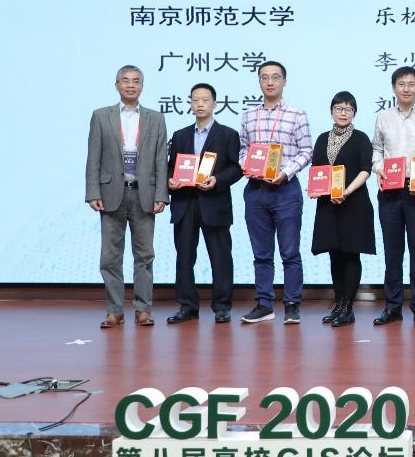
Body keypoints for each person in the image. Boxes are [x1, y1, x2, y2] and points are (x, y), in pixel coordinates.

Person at [86, 65, 168, 329]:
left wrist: (161, 194)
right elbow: (93, 157)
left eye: (136, 81)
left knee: (145, 255)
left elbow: (161, 159)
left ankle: (143, 309)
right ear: (117, 86)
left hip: (144, 195)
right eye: (126, 81)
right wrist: (93, 192)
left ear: (142, 86)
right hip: (111, 194)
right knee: (110, 257)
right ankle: (114, 310)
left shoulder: (156, 118)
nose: (131, 85)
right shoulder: (101, 116)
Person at [239, 60, 312, 325]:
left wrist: (285, 172)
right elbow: (242, 149)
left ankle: (292, 304)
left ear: (284, 81)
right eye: (264, 77)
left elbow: (307, 151)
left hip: (285, 190)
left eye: (275, 77)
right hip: (256, 191)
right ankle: (264, 304)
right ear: (259, 81)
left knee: (290, 252)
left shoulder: (297, 115)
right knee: (261, 254)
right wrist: (246, 165)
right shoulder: (248, 116)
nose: (269, 82)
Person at [165, 83, 242, 325]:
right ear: (190, 104)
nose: (199, 104)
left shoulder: (228, 134)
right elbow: (170, 167)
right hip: (185, 204)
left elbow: (236, 168)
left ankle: (222, 307)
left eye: (205, 100)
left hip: (214, 203)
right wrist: (170, 181)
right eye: (195, 100)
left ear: (215, 104)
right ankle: (187, 306)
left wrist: (217, 180)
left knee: (220, 258)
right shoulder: (180, 135)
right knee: (184, 258)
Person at [372, 66, 415, 326]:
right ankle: (393, 306)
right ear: (393, 88)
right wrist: (379, 169)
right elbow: (377, 150)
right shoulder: (383, 118)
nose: (406, 88)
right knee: (392, 252)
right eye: (401, 84)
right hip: (389, 191)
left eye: (411, 84)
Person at [310, 91, 374, 329]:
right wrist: (317, 189)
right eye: (339, 108)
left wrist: (346, 191)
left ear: (354, 113)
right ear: (331, 112)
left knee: (350, 254)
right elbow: (317, 170)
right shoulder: (321, 139)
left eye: (348, 109)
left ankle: (348, 306)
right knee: (334, 254)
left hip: (353, 203)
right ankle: (338, 303)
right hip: (328, 204)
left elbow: (366, 170)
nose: (343, 113)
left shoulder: (361, 138)